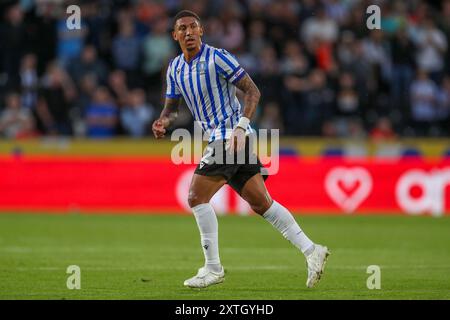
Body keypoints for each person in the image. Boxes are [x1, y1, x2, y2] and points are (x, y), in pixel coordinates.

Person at [152, 10, 329, 289]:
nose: (188, 32)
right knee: (262, 204)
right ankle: (312, 250)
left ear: (202, 31)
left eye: (193, 27)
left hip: (232, 136)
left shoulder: (217, 57)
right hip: (225, 140)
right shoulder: (175, 68)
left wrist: (241, 126)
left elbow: (252, 91)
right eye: (182, 29)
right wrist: (163, 122)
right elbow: (172, 110)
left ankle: (213, 268)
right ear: (175, 35)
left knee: (196, 196)